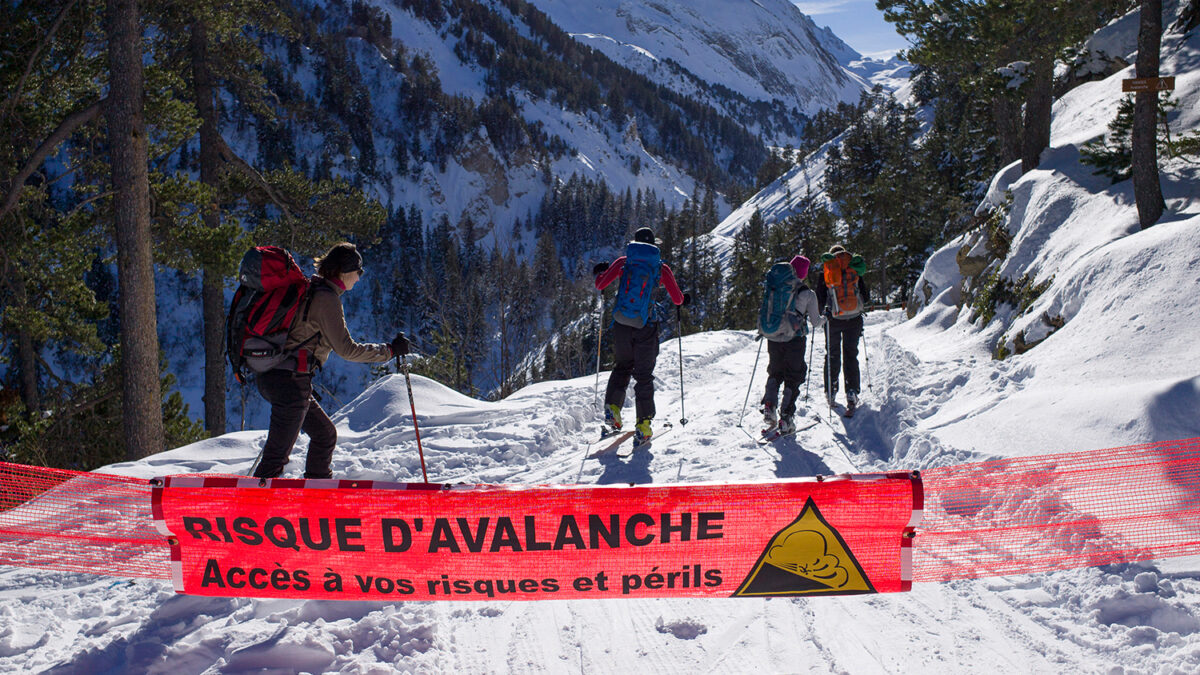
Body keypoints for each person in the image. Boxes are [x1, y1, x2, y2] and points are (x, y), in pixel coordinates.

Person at [253, 242, 409, 479]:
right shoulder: (326, 298)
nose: (359, 278)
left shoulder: (314, 289)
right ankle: (254, 508)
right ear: (345, 272)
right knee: (275, 458)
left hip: (280, 377)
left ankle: (317, 495)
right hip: (289, 381)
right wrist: (388, 351)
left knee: (324, 435)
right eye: (359, 271)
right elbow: (346, 349)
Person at [592, 227, 687, 445]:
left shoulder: (623, 262)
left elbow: (600, 284)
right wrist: (684, 299)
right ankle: (643, 426)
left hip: (621, 324)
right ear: (654, 245)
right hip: (646, 325)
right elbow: (677, 299)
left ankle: (613, 410)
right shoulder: (660, 267)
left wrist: (600, 272)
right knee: (643, 375)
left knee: (622, 366)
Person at [758, 255, 824, 435]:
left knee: (775, 371)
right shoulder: (807, 293)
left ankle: (769, 405)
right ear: (803, 273)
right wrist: (824, 319)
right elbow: (816, 321)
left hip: (773, 337)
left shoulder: (776, 287)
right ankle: (786, 417)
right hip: (794, 339)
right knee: (794, 376)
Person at [815, 244, 869, 416]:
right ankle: (852, 391)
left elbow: (820, 297)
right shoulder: (854, 270)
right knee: (851, 354)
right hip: (854, 319)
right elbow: (865, 296)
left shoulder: (828, 271)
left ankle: (831, 391)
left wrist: (823, 314)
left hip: (834, 320)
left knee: (832, 354)